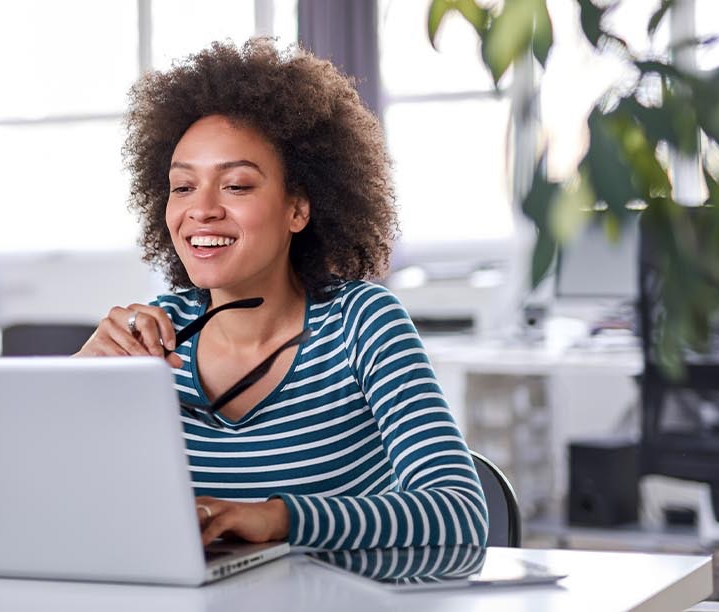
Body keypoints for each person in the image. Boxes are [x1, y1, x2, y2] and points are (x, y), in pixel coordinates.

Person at [76, 39, 489, 550]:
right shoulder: (150, 339)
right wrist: (74, 389)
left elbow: (460, 513)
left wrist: (279, 519)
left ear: (297, 209)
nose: (200, 209)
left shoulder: (362, 323)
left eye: (237, 185)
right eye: (183, 187)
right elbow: (54, 508)